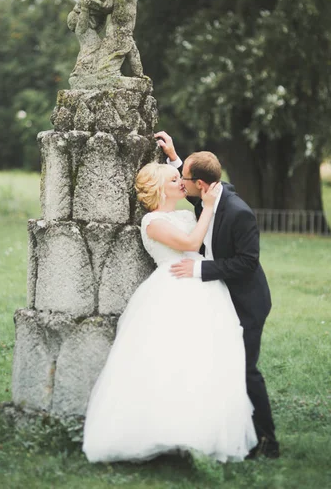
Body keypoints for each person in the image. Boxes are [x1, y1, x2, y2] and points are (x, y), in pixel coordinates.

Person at [83, 162, 257, 463]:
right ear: (158, 188)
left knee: (204, 359)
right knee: (168, 359)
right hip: (172, 288)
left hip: (203, 286)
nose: (181, 182)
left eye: (180, 177)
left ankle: (200, 431)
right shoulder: (152, 222)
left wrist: (184, 169)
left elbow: (202, 236)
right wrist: (210, 209)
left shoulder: (186, 213)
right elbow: (190, 243)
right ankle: (160, 431)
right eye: (174, 179)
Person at [154, 131, 279, 459]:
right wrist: (174, 157)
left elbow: (248, 262)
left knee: (245, 368)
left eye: (185, 179)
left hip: (247, 302)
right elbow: (194, 194)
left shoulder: (238, 212)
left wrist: (199, 270)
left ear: (202, 185)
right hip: (221, 300)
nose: (182, 184)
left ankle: (267, 442)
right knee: (222, 365)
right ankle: (231, 429)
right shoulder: (209, 196)